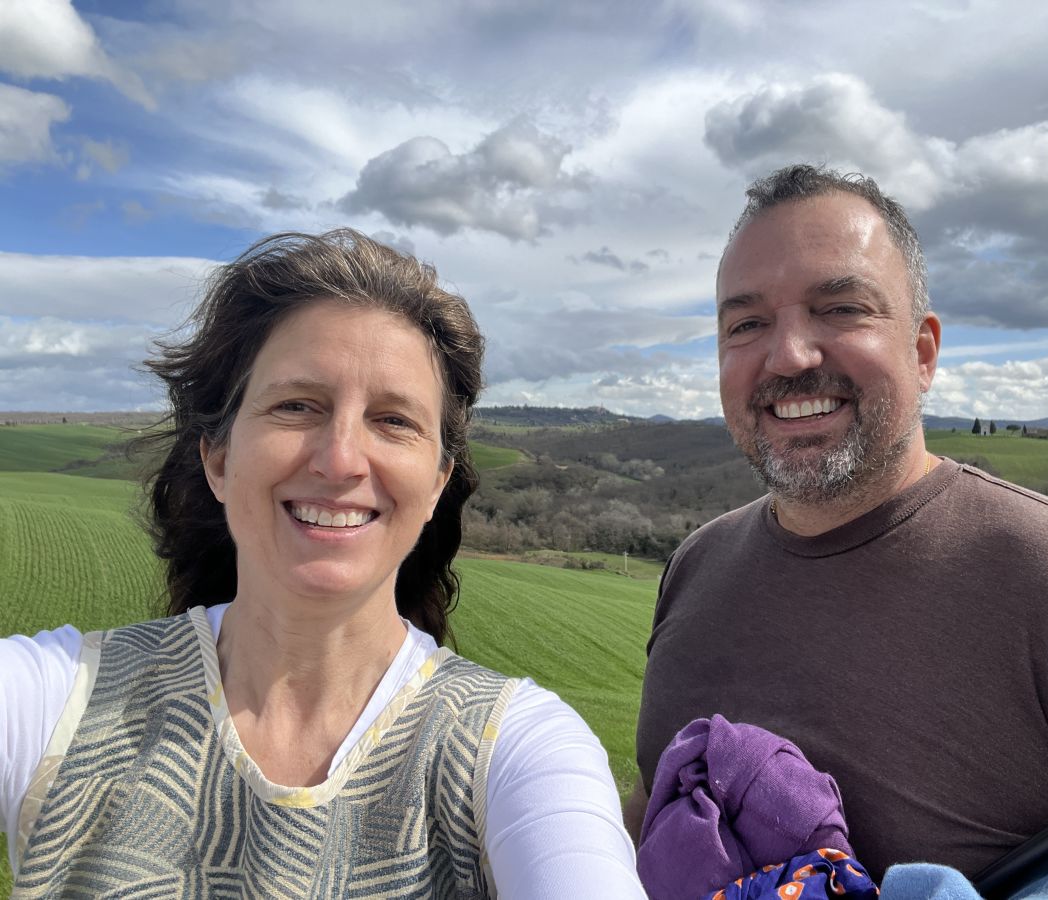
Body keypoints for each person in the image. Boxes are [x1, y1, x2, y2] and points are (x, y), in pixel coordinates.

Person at [1, 229, 645, 897]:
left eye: (393, 420)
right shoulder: (57, 702)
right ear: (219, 458)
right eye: (297, 406)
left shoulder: (515, 750)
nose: (340, 459)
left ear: (434, 485)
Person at [628, 165, 1048, 892]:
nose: (790, 356)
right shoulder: (698, 565)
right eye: (747, 324)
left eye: (840, 309)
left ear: (923, 352)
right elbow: (653, 813)